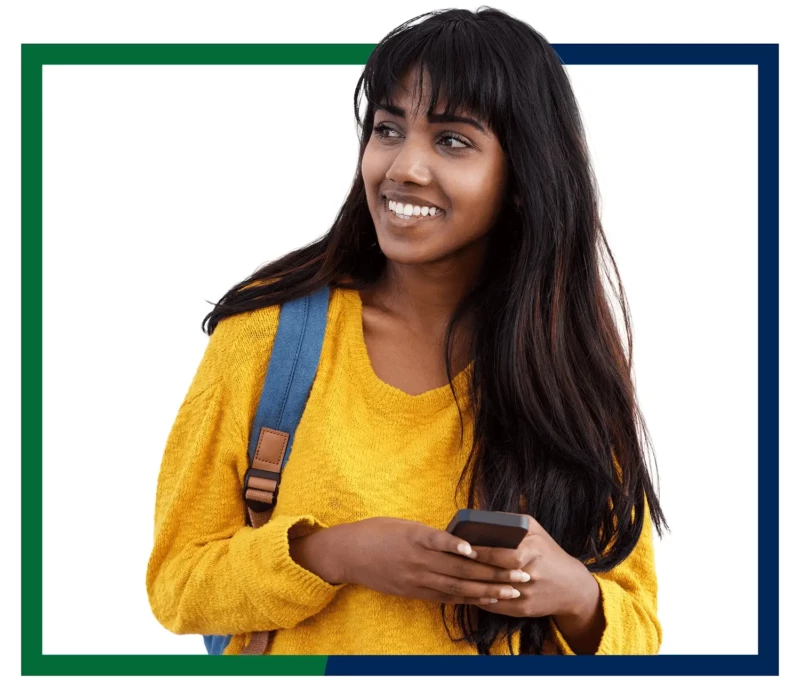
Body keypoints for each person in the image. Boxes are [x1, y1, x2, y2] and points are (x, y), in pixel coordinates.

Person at [146, 6, 669, 656]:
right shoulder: (263, 338)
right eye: (388, 128)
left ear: (522, 178)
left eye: (452, 140)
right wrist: (330, 552)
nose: (403, 166)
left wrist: (576, 595)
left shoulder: (568, 371)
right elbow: (176, 585)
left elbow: (641, 634)